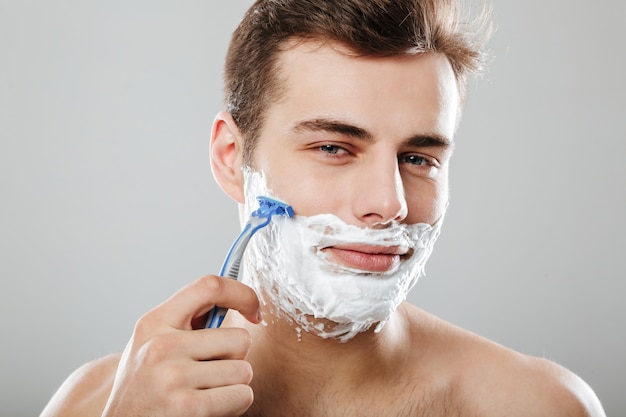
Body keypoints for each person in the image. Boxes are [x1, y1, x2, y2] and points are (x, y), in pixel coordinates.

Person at [41, 0, 607, 416]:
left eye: (418, 158)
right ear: (232, 158)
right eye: (334, 148)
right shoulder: (97, 405)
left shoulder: (539, 406)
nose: (389, 204)